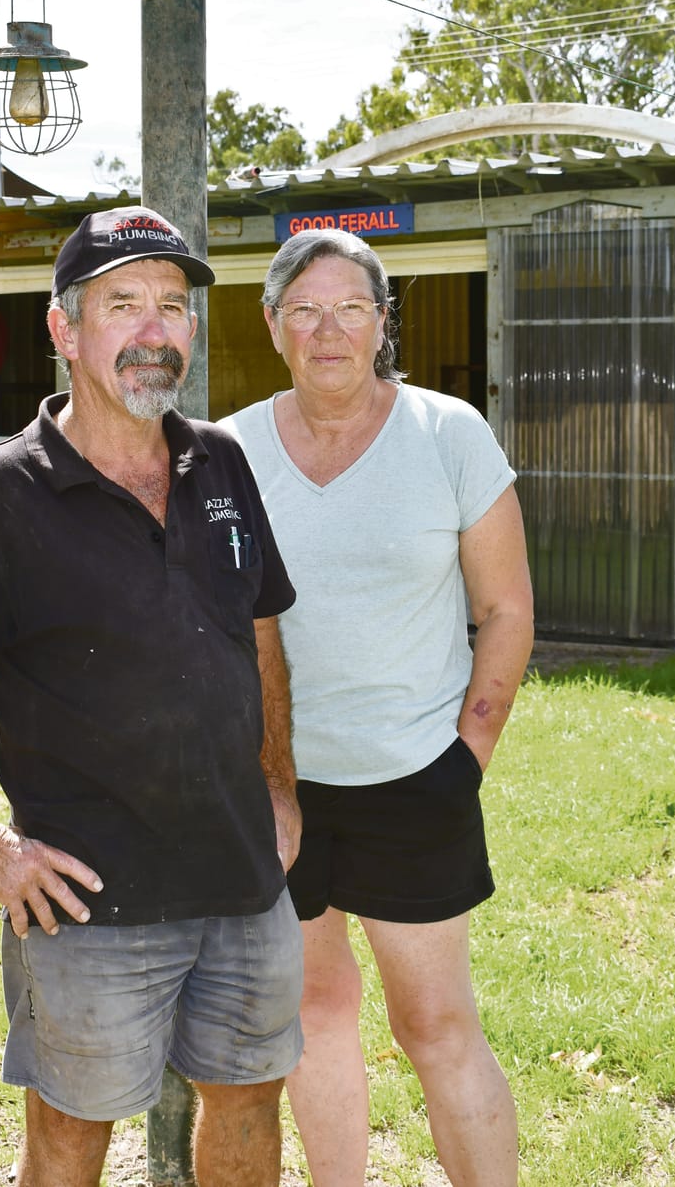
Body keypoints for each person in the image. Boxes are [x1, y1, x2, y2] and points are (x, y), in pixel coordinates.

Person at [0, 207, 304, 1187]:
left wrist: (279, 786)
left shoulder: (219, 462)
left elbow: (260, 630)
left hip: (243, 881)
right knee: (69, 1134)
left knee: (251, 1104)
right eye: (122, 304)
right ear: (65, 329)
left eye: (172, 305)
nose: (154, 329)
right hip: (87, 905)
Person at [220, 227, 534, 1187]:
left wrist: (466, 755)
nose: (329, 330)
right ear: (272, 323)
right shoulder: (228, 452)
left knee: (435, 1026)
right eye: (306, 310)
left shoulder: (448, 434)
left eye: (351, 308)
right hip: (278, 787)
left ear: (383, 321)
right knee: (314, 1014)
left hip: (415, 779)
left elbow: (506, 609)